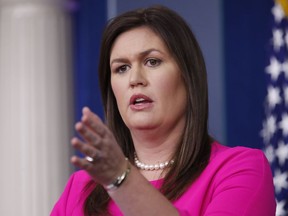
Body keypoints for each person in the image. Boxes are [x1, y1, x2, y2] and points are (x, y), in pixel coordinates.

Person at [51, 5, 276, 216]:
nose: (134, 79)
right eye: (122, 68)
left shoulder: (239, 170)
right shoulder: (81, 188)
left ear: (188, 77)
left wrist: (121, 178)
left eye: (152, 61)